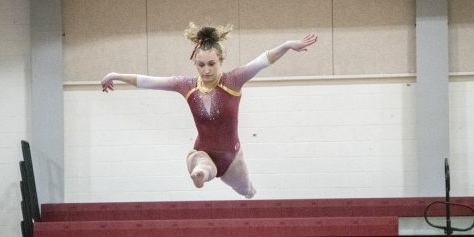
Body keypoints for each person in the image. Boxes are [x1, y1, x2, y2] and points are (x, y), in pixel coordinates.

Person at [101, 23, 317, 198]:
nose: (206, 70)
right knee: (202, 166)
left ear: (220, 60)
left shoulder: (234, 80)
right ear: (195, 64)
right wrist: (116, 75)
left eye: (211, 64)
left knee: (248, 191)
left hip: (232, 158)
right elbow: (148, 81)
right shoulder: (186, 86)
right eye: (201, 65)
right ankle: (201, 174)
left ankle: (225, 180)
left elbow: (263, 60)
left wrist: (288, 45)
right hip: (202, 151)